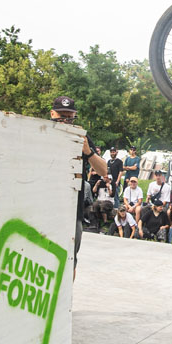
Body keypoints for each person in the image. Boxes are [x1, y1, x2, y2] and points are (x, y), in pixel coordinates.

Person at [50, 96, 108, 275]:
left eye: (70, 117)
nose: (65, 121)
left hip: (72, 211)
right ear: (52, 114)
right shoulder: (42, 132)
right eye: (61, 116)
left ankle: (66, 301)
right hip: (46, 209)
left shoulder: (80, 137)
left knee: (70, 261)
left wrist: (88, 152)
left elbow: (103, 170)